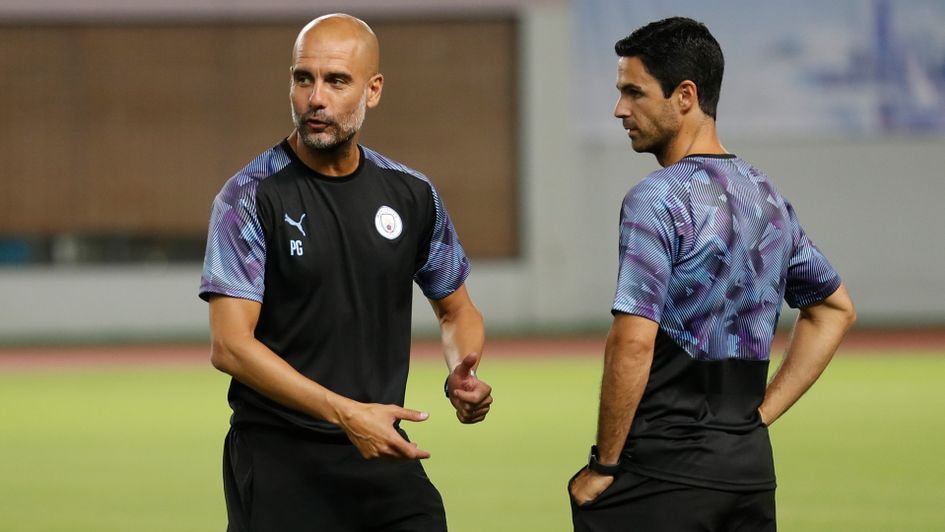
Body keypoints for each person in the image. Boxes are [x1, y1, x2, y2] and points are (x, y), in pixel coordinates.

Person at [199, 13, 493, 532]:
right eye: (302, 78)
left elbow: (456, 309)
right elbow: (231, 346)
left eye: (336, 81)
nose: (315, 98)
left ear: (373, 89)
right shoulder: (248, 198)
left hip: (383, 454)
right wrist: (345, 412)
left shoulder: (411, 194)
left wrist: (459, 371)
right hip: (280, 465)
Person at [568, 17, 856, 531]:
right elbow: (834, 309)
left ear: (685, 95)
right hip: (747, 470)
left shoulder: (655, 199)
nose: (619, 109)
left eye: (634, 92)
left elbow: (633, 342)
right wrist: (758, 418)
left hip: (662, 475)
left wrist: (604, 464)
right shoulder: (765, 196)